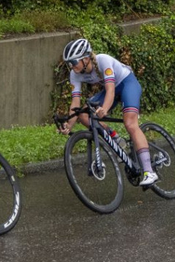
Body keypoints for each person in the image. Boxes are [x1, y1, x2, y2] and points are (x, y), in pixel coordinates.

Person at [57, 38, 159, 186]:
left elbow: (111, 90)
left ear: (86, 58)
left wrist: (104, 109)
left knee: (130, 124)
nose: (71, 66)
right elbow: (75, 103)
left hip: (126, 84)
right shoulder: (75, 74)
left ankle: (150, 172)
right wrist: (69, 125)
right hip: (110, 90)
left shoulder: (103, 60)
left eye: (73, 62)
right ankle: (116, 138)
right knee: (83, 113)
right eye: (69, 63)